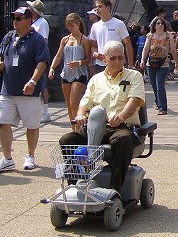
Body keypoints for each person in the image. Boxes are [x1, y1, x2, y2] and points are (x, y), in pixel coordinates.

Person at [59, 41, 145, 192]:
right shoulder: (95, 79)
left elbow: (134, 101)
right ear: (104, 59)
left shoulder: (134, 76)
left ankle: (114, 190)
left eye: (121, 58)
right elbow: (85, 103)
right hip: (96, 127)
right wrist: (80, 116)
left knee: (122, 140)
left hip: (121, 127)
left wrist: (121, 117)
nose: (118, 62)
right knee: (67, 140)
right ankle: (75, 186)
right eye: (113, 58)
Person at [0, 6, 50, 172]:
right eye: (14, 18)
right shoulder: (9, 36)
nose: (14, 22)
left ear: (28, 20)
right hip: (8, 88)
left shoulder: (38, 40)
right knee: (3, 122)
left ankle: (30, 155)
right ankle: (7, 158)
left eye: (18, 18)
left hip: (29, 92)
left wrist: (32, 81)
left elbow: (42, 63)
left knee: (31, 125)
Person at [48, 13, 91, 131]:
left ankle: (79, 128)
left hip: (79, 73)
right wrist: (52, 68)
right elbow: (58, 55)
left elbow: (88, 59)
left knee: (74, 102)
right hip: (67, 73)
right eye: (68, 26)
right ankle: (74, 129)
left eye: (71, 25)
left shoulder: (84, 40)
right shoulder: (65, 39)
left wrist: (79, 62)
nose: (70, 28)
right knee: (68, 104)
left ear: (77, 24)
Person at [141, 18, 177, 115]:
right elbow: (146, 49)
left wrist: (177, 62)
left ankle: (163, 107)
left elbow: (173, 49)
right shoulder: (150, 36)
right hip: (151, 63)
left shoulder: (169, 36)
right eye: (158, 23)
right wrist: (142, 61)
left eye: (162, 23)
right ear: (154, 25)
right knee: (153, 84)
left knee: (160, 85)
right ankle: (158, 101)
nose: (160, 25)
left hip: (163, 63)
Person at [89, 0, 134, 73]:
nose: (97, 9)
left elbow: (127, 43)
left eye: (100, 6)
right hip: (100, 64)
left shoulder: (119, 24)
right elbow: (93, 45)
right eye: (96, 7)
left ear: (108, 8)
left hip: (117, 63)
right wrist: (95, 53)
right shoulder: (95, 26)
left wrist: (131, 65)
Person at [26, 0, 51, 123]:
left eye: (30, 9)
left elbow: (44, 41)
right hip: (30, 58)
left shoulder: (42, 23)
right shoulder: (32, 22)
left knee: (42, 84)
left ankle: (45, 112)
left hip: (38, 57)